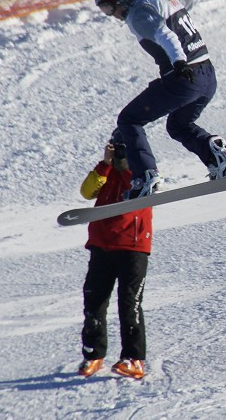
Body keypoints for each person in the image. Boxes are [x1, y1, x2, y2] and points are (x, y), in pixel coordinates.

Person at [89, 0, 226, 199]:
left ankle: (146, 177)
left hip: (183, 79)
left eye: (108, 8)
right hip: (207, 76)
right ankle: (216, 155)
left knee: (129, 120)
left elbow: (165, 35)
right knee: (178, 125)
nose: (111, 15)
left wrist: (178, 62)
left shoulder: (138, 13)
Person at [78, 131, 152, 379]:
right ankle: (93, 354)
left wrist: (126, 164)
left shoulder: (145, 172)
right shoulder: (107, 171)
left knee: (129, 304)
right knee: (93, 301)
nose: (121, 151)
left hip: (133, 248)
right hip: (101, 245)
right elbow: (87, 192)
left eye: (125, 147)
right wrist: (106, 164)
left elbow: (140, 191)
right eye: (117, 146)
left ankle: (134, 358)